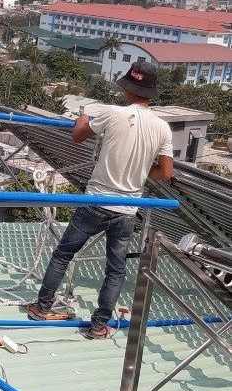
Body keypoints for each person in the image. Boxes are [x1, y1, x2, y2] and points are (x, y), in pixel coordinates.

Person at [26, 60, 174, 339]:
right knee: (115, 270)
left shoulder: (112, 113)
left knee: (64, 254)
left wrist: (82, 120)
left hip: (95, 201)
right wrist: (142, 171)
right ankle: (98, 325)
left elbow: (77, 136)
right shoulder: (162, 128)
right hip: (128, 209)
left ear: (127, 88)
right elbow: (166, 172)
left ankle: (41, 307)